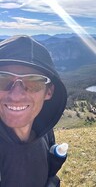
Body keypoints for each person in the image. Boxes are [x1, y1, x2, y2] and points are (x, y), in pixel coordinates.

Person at [0, 35, 67, 187]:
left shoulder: (44, 132)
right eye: (2, 79)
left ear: (48, 92)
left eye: (33, 81)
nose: (16, 96)